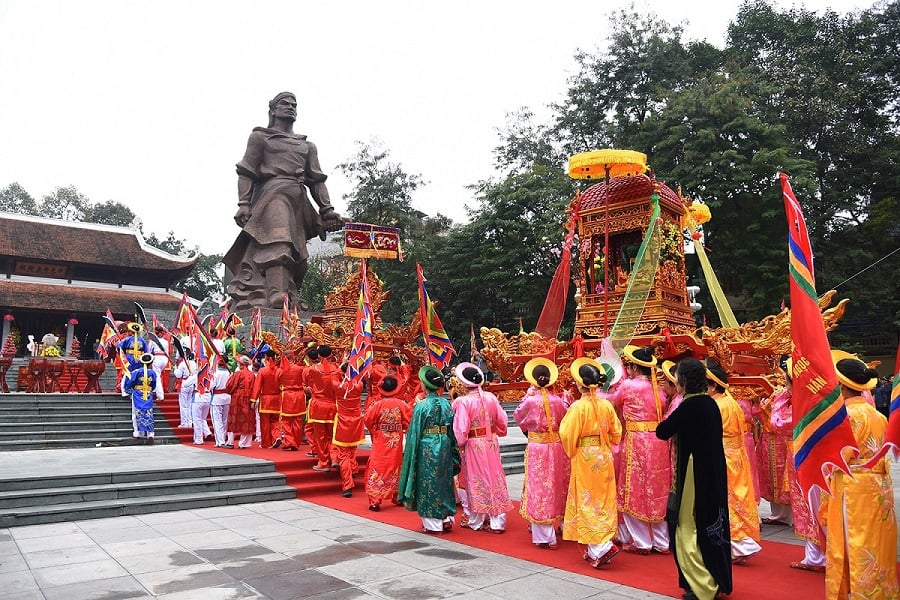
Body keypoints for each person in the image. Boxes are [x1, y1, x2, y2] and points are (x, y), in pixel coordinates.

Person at [223, 91, 347, 312]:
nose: (290, 107)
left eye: (294, 105)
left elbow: (316, 180)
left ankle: (289, 292)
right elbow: (247, 172)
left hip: (299, 199)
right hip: (273, 194)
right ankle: (275, 294)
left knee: (298, 255)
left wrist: (327, 209)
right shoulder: (260, 138)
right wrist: (244, 203)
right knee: (279, 241)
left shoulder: (307, 146)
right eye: (285, 104)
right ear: (273, 110)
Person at [820, 352, 898, 598]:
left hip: (853, 488)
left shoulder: (846, 417)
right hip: (878, 485)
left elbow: (839, 458)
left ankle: (858, 592)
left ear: (842, 385)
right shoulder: (878, 415)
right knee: (877, 541)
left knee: (854, 543)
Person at [656, 357, 732, 600]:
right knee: (712, 523)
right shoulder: (710, 404)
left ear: (684, 381)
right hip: (713, 471)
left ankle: (703, 586)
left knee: (685, 527)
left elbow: (662, 431)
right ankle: (714, 578)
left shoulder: (689, 406)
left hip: (694, 473)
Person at [559, 357, 623, 569]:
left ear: (580, 384)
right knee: (603, 498)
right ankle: (600, 542)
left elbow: (567, 433)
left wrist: (572, 450)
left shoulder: (578, 407)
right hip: (604, 453)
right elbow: (617, 432)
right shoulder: (606, 404)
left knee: (588, 498)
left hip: (585, 456)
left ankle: (600, 546)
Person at [610, 345, 671, 555]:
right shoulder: (658, 388)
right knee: (656, 488)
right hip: (658, 441)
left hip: (637, 440)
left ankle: (642, 541)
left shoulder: (628, 386)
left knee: (633, 488)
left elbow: (614, 403)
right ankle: (662, 541)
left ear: (635, 367)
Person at [770, 356, 825, 572]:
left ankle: (817, 557)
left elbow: (777, 423)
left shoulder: (800, 403)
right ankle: (820, 554)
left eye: (786, 380)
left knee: (808, 506)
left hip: (802, 456)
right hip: (812, 456)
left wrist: (782, 398)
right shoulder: (817, 399)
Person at [706, 358, 761, 564]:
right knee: (739, 496)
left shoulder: (717, 405)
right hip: (736, 455)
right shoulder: (731, 402)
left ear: (712, 385)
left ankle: (740, 544)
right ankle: (741, 541)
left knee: (727, 498)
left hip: (723, 456)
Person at [513, 357, 570, 549]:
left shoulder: (530, 402)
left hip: (538, 447)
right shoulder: (558, 401)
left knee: (539, 487)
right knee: (557, 483)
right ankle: (561, 523)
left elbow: (518, 417)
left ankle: (545, 535)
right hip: (556, 446)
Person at [398, 366, 460, 534]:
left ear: (424, 386)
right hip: (445, 442)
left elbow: (414, 432)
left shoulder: (422, 406)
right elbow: (451, 428)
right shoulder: (447, 403)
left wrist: (411, 452)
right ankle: (446, 517)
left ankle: (433, 524)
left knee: (429, 482)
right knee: (444, 479)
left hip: (427, 445)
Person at [452, 362, 513, 533]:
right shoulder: (491, 397)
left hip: (474, 443)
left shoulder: (462, 402)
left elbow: (461, 429)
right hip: (491, 441)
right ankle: (497, 521)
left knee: (476, 478)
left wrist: (459, 443)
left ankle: (477, 519)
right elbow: (502, 421)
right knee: (495, 476)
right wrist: (498, 432)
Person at [364, 375, 412, 511]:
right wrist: (402, 428)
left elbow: (368, 420)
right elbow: (409, 420)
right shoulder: (402, 404)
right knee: (395, 466)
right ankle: (396, 496)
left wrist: (376, 430)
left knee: (377, 465)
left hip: (380, 440)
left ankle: (375, 501)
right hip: (395, 442)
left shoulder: (377, 405)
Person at [333, 365, 366, 497]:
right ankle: (354, 469)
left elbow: (334, 376)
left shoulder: (338, 387)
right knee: (352, 449)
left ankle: (347, 484)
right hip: (356, 421)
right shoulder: (359, 386)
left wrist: (343, 363)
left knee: (343, 454)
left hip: (343, 422)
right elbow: (359, 377)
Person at [306, 345, 340, 471]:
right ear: (331, 355)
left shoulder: (313, 369)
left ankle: (323, 462)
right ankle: (335, 458)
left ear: (319, 355)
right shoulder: (337, 369)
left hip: (318, 406)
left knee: (320, 437)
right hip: (332, 406)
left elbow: (309, 383)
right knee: (333, 436)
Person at [123, 352, 162, 444]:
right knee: (149, 412)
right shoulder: (152, 373)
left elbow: (130, 382)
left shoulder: (136, 372)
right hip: (148, 394)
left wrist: (129, 390)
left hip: (137, 393)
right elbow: (154, 384)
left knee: (135, 412)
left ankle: (137, 432)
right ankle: (150, 433)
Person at [251, 348, 282, 448]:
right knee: (275, 421)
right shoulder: (279, 370)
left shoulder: (263, 371)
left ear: (266, 358)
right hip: (277, 399)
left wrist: (253, 399)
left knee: (265, 422)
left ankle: (266, 443)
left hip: (265, 400)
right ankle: (277, 436)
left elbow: (257, 386)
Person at [225, 354, 257, 449]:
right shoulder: (252, 374)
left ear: (240, 364)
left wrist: (231, 377)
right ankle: (244, 443)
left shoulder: (238, 373)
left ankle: (230, 442)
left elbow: (230, 385)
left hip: (237, 398)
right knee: (247, 420)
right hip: (248, 398)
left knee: (233, 419)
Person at [278, 353, 306, 451]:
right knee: (298, 421)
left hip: (287, 396)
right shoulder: (299, 369)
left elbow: (277, 381)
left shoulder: (280, 370)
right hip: (299, 395)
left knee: (286, 421)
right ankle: (296, 442)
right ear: (293, 357)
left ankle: (289, 441)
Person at [209, 360, 232, 448]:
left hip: (217, 398)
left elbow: (211, 386)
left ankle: (220, 441)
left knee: (217, 421)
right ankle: (223, 439)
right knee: (224, 420)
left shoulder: (215, 373)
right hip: (227, 397)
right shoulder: (229, 373)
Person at [172, 348, 197, 429]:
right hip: (192, 383)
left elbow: (178, 375)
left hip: (185, 383)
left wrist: (175, 369)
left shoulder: (183, 364)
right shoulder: (194, 363)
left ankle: (184, 423)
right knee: (189, 404)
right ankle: (190, 422)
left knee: (183, 405)